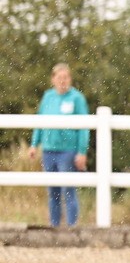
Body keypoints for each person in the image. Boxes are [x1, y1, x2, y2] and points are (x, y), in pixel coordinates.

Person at [27, 63, 90, 228]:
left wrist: (82, 151)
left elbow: (84, 127)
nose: (63, 81)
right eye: (59, 78)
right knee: (52, 191)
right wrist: (34, 144)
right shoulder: (48, 97)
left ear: (70, 79)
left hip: (68, 150)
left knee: (68, 189)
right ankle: (54, 227)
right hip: (49, 150)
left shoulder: (76, 98)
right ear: (53, 79)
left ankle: (72, 226)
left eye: (66, 77)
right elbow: (39, 121)